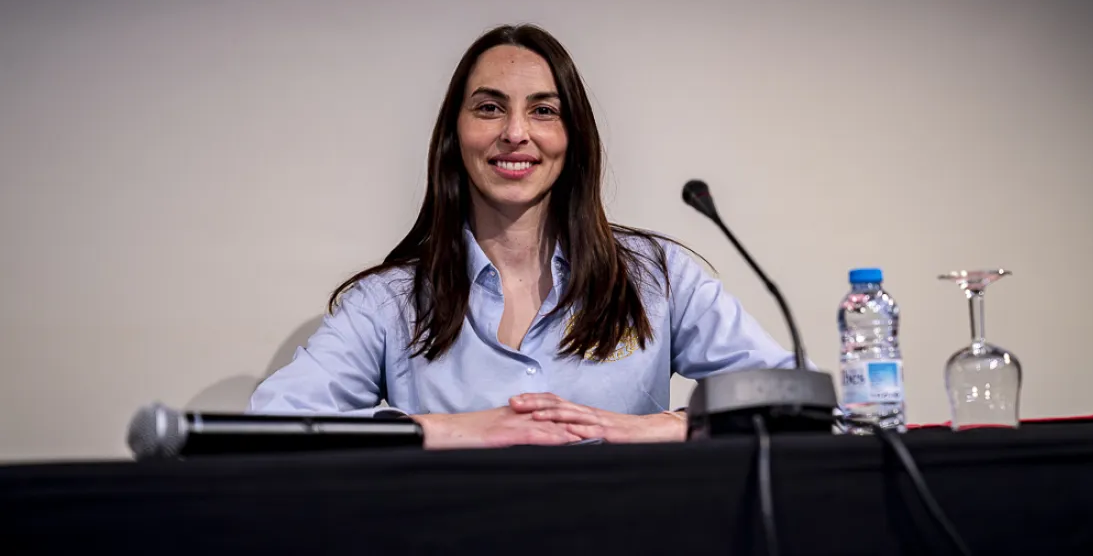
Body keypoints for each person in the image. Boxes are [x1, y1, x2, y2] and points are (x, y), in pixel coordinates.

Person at [249, 23, 801, 448]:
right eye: (489, 108)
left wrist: (649, 429)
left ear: (573, 135)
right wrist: (454, 431)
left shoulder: (657, 276)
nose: (516, 133)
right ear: (454, 135)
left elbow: (797, 404)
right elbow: (270, 425)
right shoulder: (388, 302)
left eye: (543, 110)